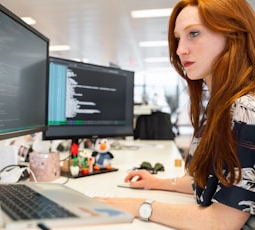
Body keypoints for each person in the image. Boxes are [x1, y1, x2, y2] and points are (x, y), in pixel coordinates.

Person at [96, 0, 255, 229]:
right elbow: (210, 183)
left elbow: (222, 221)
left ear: (233, 35)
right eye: (179, 38)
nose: (180, 49)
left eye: (194, 33)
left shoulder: (245, 110)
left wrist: (138, 206)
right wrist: (157, 182)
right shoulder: (220, 106)